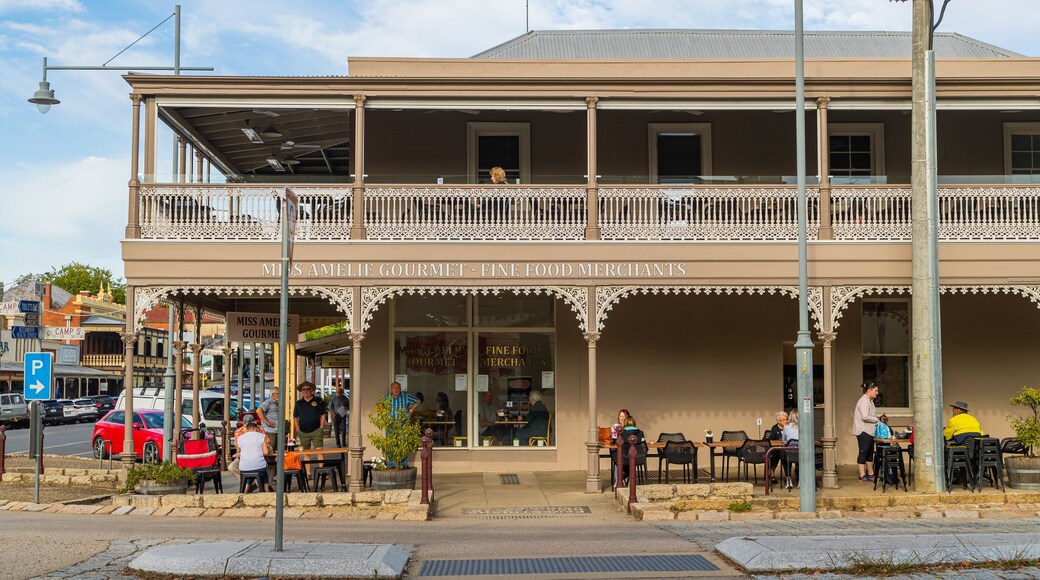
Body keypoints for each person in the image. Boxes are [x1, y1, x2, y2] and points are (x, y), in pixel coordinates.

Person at [384, 381, 420, 466]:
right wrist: (384, 414)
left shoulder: (406, 396)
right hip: (390, 423)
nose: (396, 390)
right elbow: (379, 404)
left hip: (403, 422)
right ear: (391, 389)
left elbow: (418, 401)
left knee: (403, 443)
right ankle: (391, 464)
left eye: (398, 388)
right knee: (390, 443)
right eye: (394, 388)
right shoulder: (387, 397)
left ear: (400, 389)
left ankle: (403, 464)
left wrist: (411, 410)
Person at [853, 382, 880, 482]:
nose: (877, 393)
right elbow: (865, 416)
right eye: (875, 390)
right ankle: (862, 475)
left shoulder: (870, 401)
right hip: (863, 430)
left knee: (869, 453)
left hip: (869, 431)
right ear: (869, 390)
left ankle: (871, 473)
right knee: (863, 452)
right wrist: (876, 420)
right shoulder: (864, 401)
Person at [238, 422, 272, 493]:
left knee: (251, 469)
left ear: (247, 429)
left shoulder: (240, 438)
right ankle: (266, 489)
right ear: (256, 428)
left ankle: (246, 489)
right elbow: (266, 452)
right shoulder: (261, 436)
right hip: (259, 466)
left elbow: (240, 452)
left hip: (243, 467)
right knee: (262, 470)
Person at [293, 381, 327, 450]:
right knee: (306, 453)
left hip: (317, 430)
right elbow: (295, 417)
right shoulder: (298, 403)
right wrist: (297, 430)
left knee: (319, 451)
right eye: (304, 389)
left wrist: (321, 427)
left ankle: (320, 462)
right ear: (301, 391)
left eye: (308, 389)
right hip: (303, 432)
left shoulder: (319, 401)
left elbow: (323, 414)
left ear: (312, 390)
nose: (306, 391)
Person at [616, 417, 646, 485]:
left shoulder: (621, 433)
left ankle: (624, 477)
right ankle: (628, 476)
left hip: (624, 458)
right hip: (639, 457)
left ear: (625, 423)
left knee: (617, 458)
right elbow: (643, 444)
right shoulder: (640, 433)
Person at [227, 414, 256, 479]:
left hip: (257, 457)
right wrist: (239, 456)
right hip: (244, 457)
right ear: (244, 424)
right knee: (231, 467)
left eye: (252, 425)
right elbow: (238, 448)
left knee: (269, 466)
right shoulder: (239, 432)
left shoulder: (260, 430)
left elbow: (267, 445)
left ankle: (260, 484)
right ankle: (247, 483)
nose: (250, 427)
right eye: (248, 425)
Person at [766, 411, 788, 482]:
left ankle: (787, 476)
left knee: (785, 456)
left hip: (786, 449)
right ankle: (772, 474)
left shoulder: (788, 427)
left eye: (786, 419)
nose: (785, 421)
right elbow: (771, 439)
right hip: (776, 449)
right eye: (783, 420)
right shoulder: (774, 428)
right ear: (778, 421)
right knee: (775, 455)